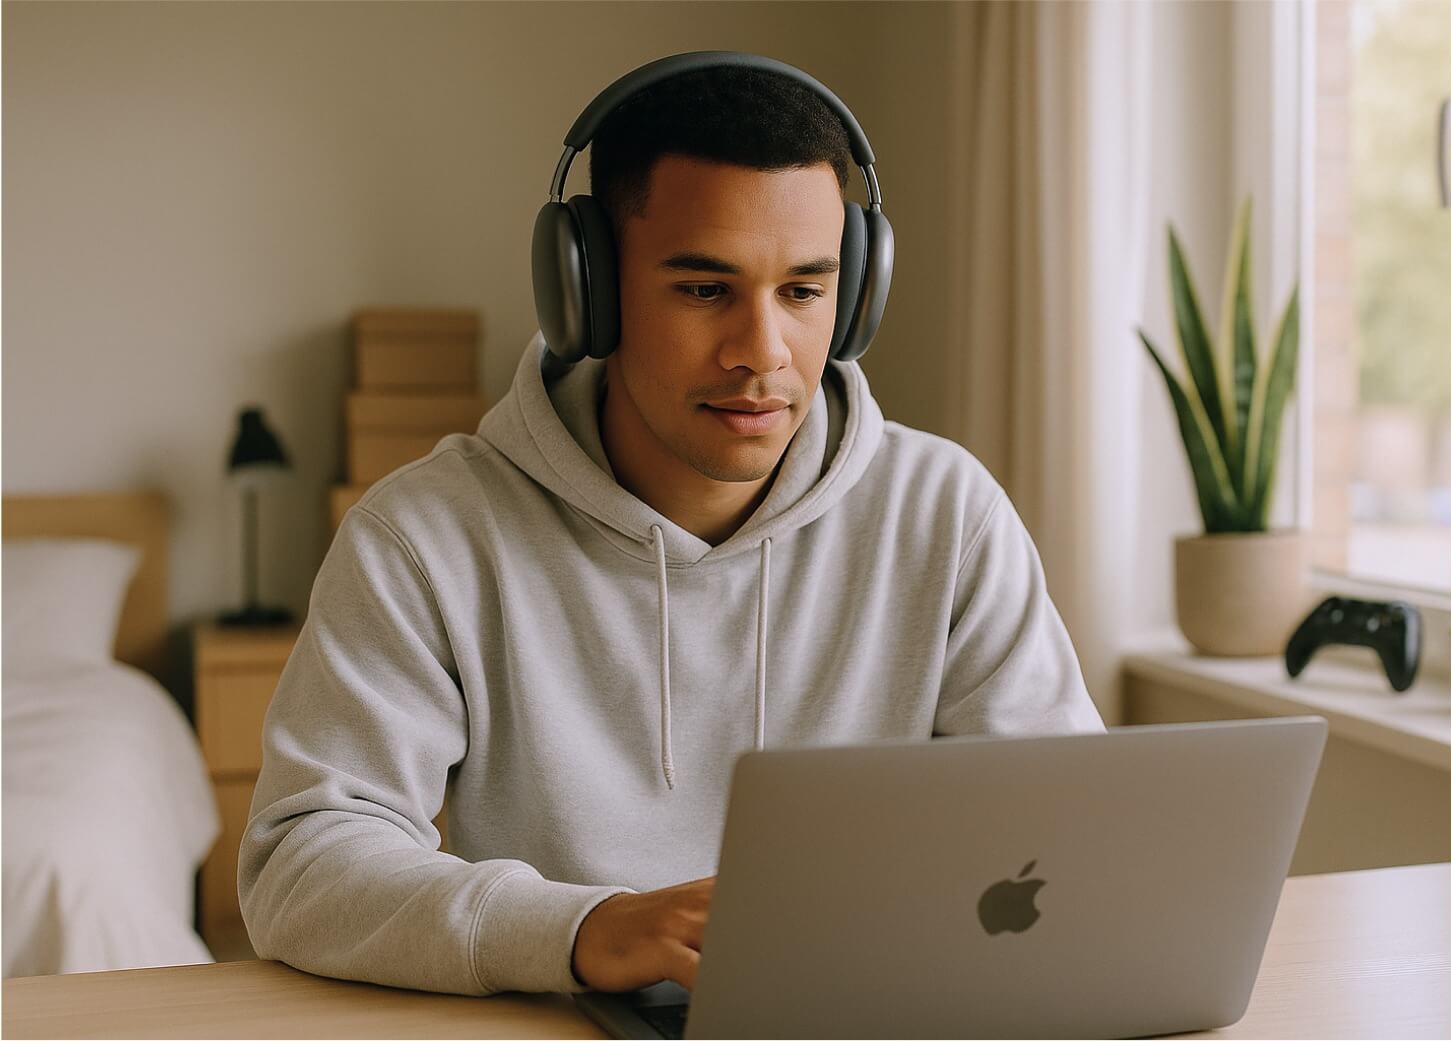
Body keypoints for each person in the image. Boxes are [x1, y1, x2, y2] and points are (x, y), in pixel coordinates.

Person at [237, 59, 1103, 1003]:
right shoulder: (428, 536)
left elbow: (1060, 837)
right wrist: (582, 929)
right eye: (703, 290)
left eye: (805, 292)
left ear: (853, 301)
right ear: (588, 294)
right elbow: (302, 866)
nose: (761, 354)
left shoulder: (946, 512)